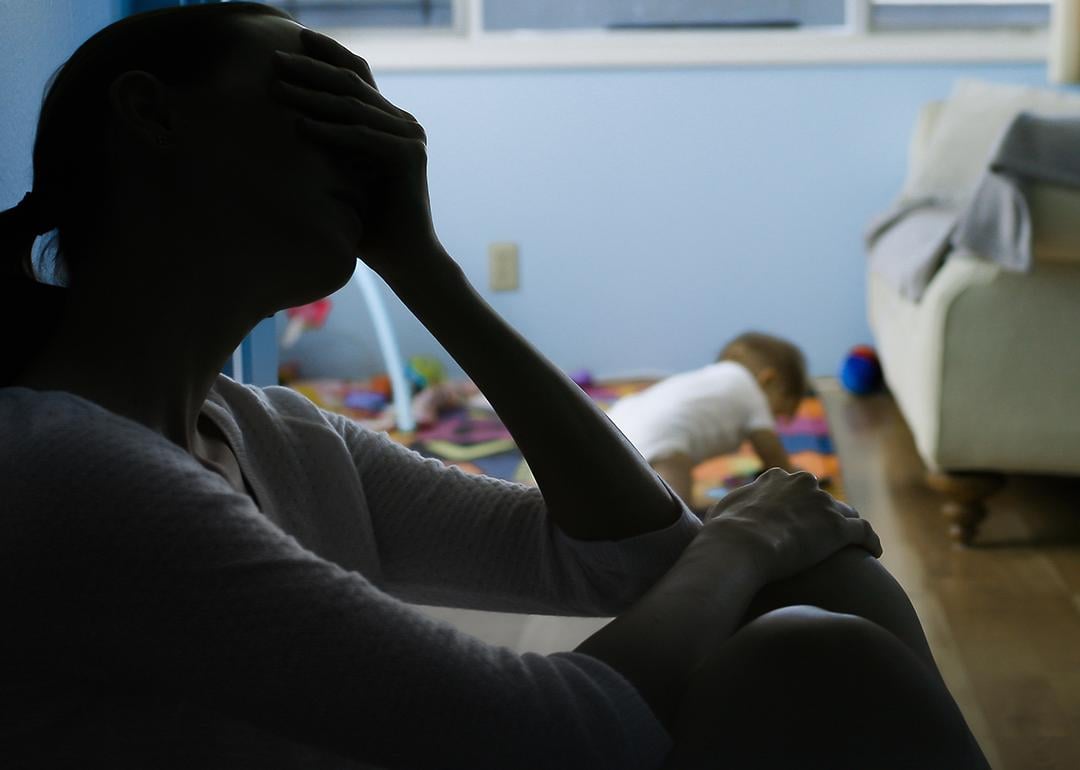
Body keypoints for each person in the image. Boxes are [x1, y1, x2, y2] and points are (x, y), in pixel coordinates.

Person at [0, 4, 989, 768]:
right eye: (320, 95)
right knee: (809, 649)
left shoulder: (279, 433)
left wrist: (421, 261)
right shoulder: (70, 472)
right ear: (151, 116)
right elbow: (555, 732)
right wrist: (744, 531)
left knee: (828, 582)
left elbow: (630, 554)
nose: (375, 139)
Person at [606, 331, 807, 510]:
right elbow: (770, 450)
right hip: (660, 446)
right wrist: (792, 478)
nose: (772, 421)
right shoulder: (750, 389)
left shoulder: (708, 380)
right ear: (767, 380)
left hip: (613, 427)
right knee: (674, 510)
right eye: (778, 413)